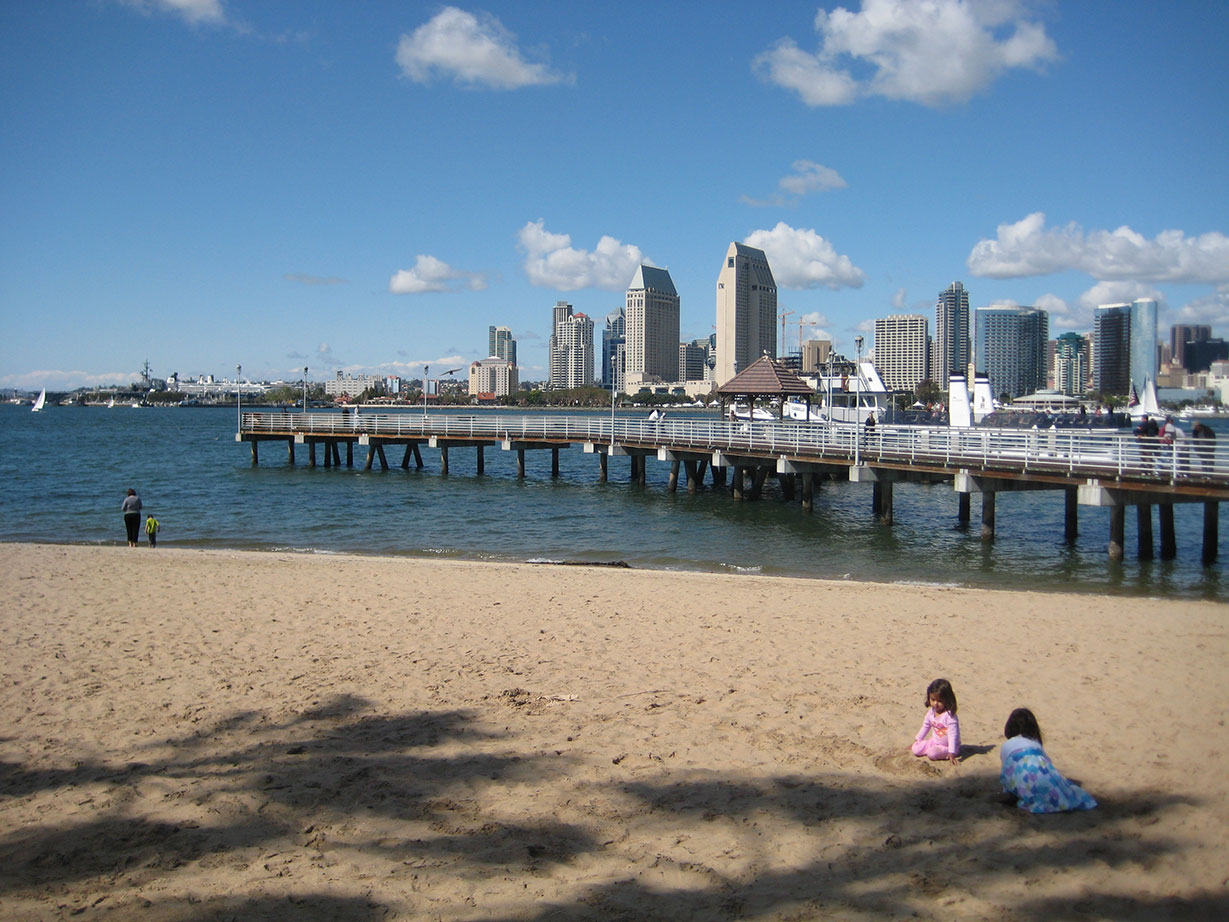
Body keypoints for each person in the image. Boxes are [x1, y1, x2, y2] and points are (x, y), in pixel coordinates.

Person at [1000, 708, 1097, 813]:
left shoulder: (1007, 744)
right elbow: (1047, 763)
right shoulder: (1035, 743)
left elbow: (1007, 770)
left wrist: (1007, 791)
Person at [911, 678, 960, 764]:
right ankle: (931, 748)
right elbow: (926, 726)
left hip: (948, 746)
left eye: (940, 701)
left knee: (932, 754)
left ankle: (945, 752)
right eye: (933, 700)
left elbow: (953, 735)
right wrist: (918, 739)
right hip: (934, 742)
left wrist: (951, 752)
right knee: (915, 749)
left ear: (947, 699)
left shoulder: (950, 716)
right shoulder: (931, 712)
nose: (935, 704)